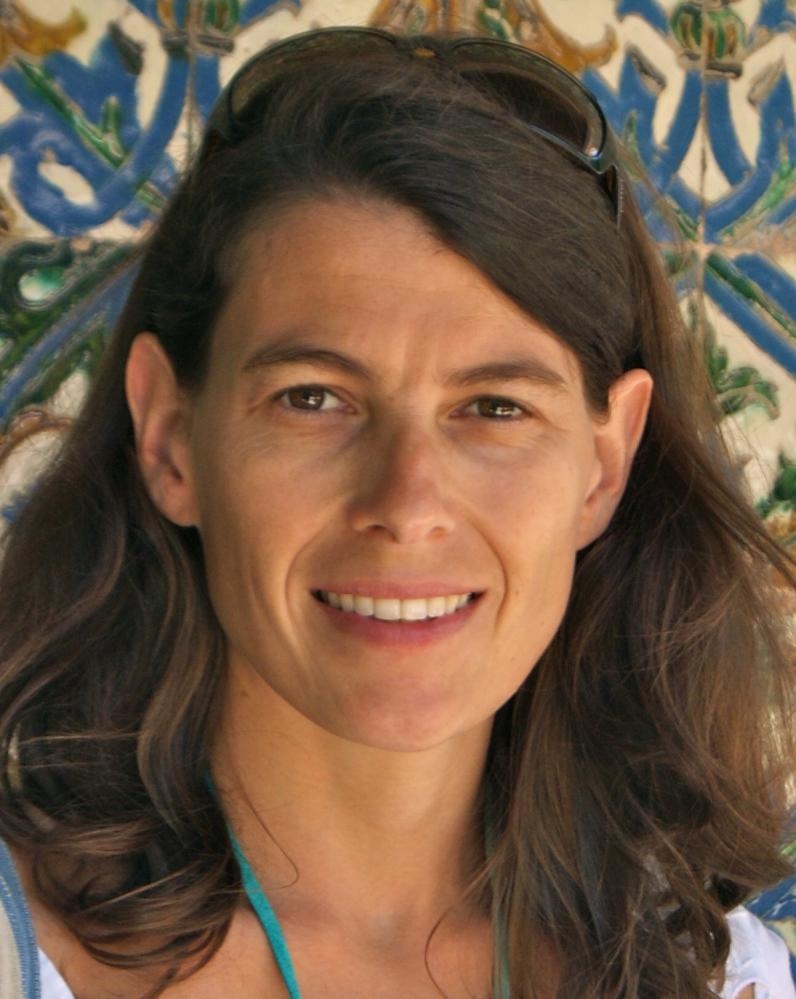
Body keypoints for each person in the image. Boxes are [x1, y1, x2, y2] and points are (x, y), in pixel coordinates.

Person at [0, 25, 793, 999]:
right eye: (313, 398)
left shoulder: (722, 977)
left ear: (602, 466)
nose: (408, 506)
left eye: (494, 408)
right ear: (169, 437)